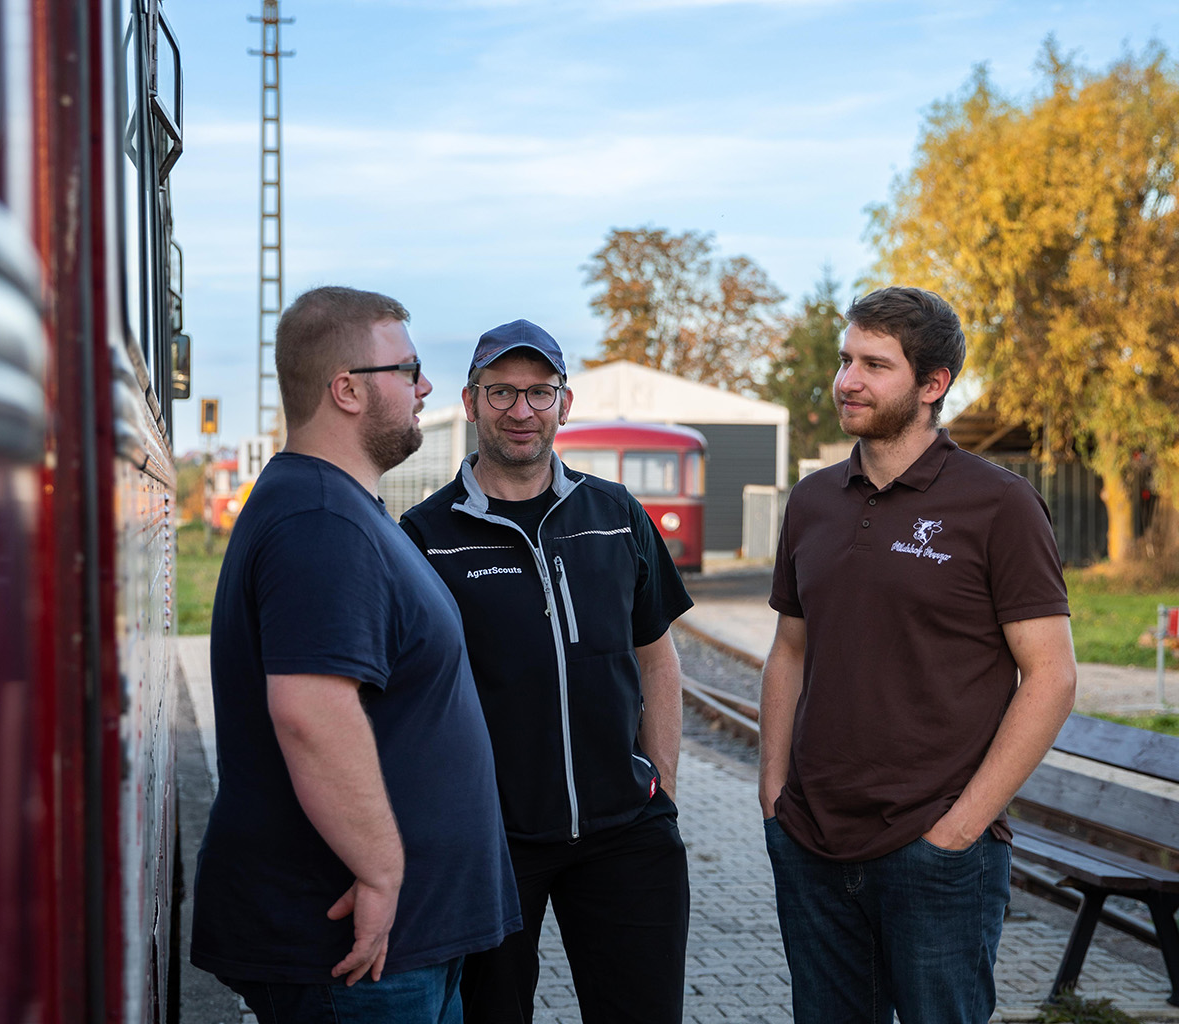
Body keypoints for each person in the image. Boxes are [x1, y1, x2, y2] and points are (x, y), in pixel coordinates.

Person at [190, 287, 521, 1024]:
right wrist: (381, 871)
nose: (425, 387)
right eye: (407, 370)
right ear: (346, 390)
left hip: (402, 945)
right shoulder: (317, 521)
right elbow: (310, 710)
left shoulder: (339, 509)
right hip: (356, 952)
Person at [758, 286, 1078, 1024]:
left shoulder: (998, 504)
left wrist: (959, 830)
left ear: (932, 386)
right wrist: (774, 795)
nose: (847, 381)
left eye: (875, 364)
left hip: (934, 855)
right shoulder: (812, 501)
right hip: (810, 842)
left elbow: (1052, 676)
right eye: (845, 360)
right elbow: (789, 652)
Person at [400, 319, 694, 1024]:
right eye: (501, 391)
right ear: (470, 403)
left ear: (566, 404)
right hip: (491, 843)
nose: (521, 410)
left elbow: (655, 655)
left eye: (540, 392)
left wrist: (660, 790)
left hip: (625, 834)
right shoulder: (425, 536)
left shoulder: (616, 512)